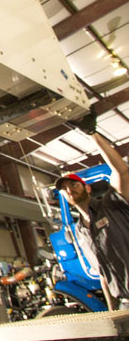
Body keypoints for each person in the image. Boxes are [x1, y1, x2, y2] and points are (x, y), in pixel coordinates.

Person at [55, 111, 129, 310]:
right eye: (64, 189)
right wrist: (112, 313)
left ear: (87, 188)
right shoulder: (79, 230)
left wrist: (92, 134)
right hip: (124, 304)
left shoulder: (112, 204)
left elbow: (121, 170)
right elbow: (103, 273)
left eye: (75, 185)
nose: (69, 189)